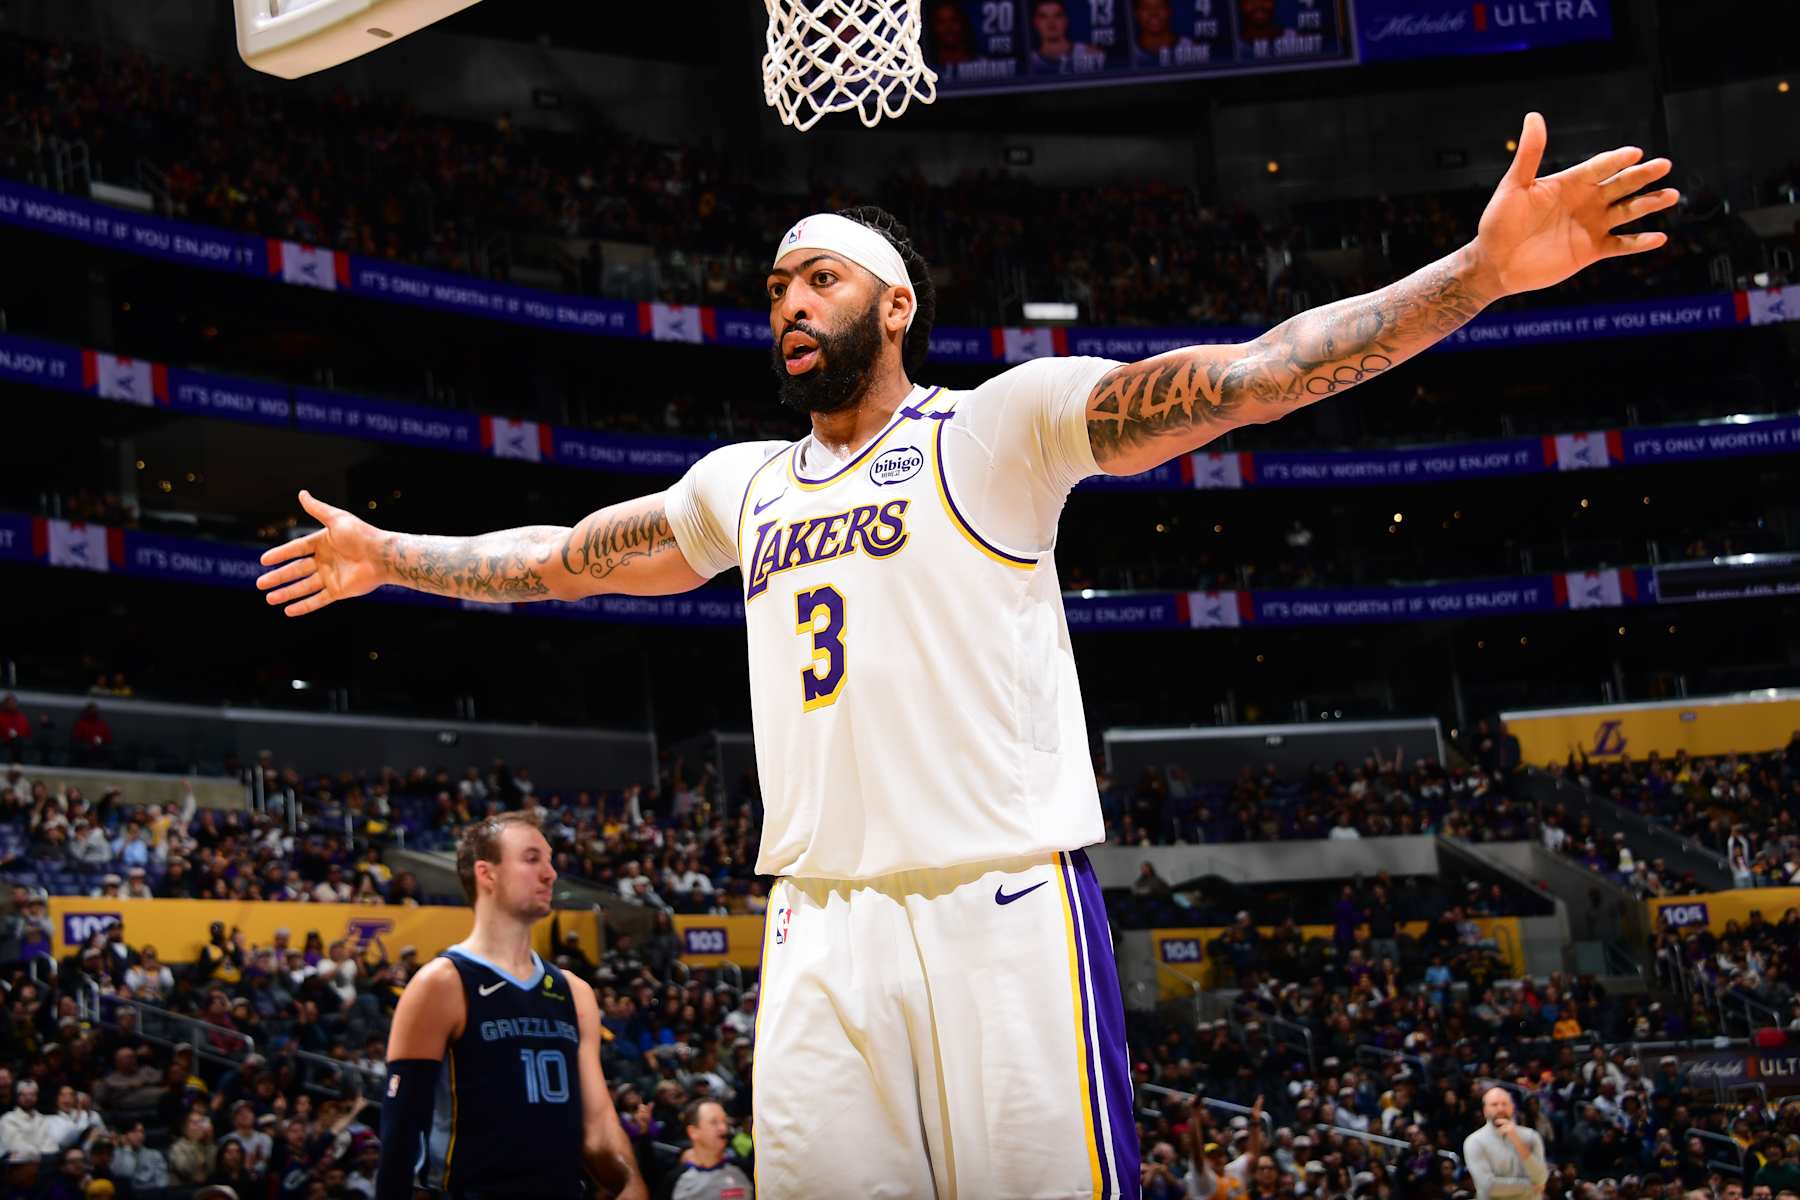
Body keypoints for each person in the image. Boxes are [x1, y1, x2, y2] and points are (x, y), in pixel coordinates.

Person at [260, 115, 1677, 1198]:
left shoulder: (994, 429)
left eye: (819, 278)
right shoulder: (738, 486)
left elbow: (1258, 375)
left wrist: (1481, 274)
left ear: (893, 305)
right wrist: (396, 558)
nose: (787, 302)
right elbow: (559, 558)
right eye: (772, 287)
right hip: (819, 923)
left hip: (1000, 908)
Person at [373, 812, 644, 1199]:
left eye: (550, 860)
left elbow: (598, 1122)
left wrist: (631, 1181)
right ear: (487, 874)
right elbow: (400, 1136)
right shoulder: (442, 983)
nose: (551, 873)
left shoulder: (574, 991)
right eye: (532, 859)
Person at [1464, 1087, 1550, 1200]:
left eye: (1504, 1104)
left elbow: (1541, 1178)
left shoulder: (1531, 1136)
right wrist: (1530, 1187)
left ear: (1512, 1107)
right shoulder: (1474, 1141)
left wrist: (1517, 1141)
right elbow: (1488, 1186)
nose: (1500, 1108)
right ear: (1485, 1110)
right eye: (1494, 1104)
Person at [668, 1100, 752, 1200]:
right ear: (693, 1132)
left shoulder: (745, 1171)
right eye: (714, 1122)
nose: (723, 1128)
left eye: (725, 1121)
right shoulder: (675, 1180)